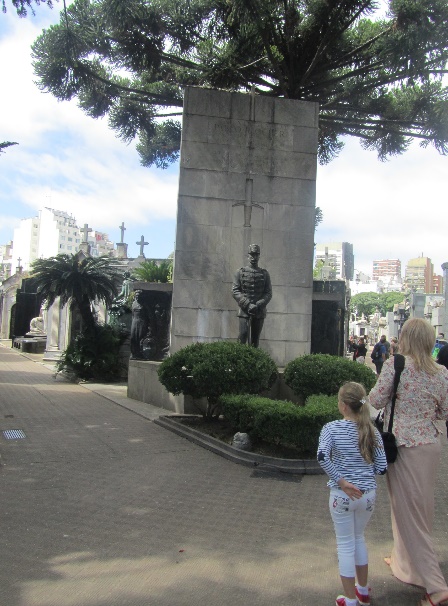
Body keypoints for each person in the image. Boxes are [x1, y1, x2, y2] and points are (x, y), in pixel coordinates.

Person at [369, 318, 448, 606]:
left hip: (403, 447)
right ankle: (404, 564)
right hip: (430, 446)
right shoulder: (441, 372)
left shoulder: (396, 364)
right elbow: (445, 412)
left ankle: (436, 587)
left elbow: (375, 400)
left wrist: (357, 402)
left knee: (408, 513)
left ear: (405, 338)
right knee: (419, 509)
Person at [317, 382, 387, 606]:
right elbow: (382, 467)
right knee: (359, 538)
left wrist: (342, 481)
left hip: (342, 495)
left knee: (345, 545)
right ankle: (363, 591)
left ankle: (349, 600)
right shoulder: (372, 431)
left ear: (344, 406)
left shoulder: (331, 428)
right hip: (367, 496)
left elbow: (322, 456)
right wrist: (363, 474)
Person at [232, 244, 272, 347]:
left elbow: (268, 293)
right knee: (243, 335)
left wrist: (259, 304)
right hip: (244, 310)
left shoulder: (265, 274)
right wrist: (248, 304)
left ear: (259, 256)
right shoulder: (240, 272)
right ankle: (239, 356)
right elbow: (235, 291)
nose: (254, 257)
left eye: (256, 255)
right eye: (252, 254)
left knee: (255, 339)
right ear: (248, 255)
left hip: (259, 311)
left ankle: (253, 357)